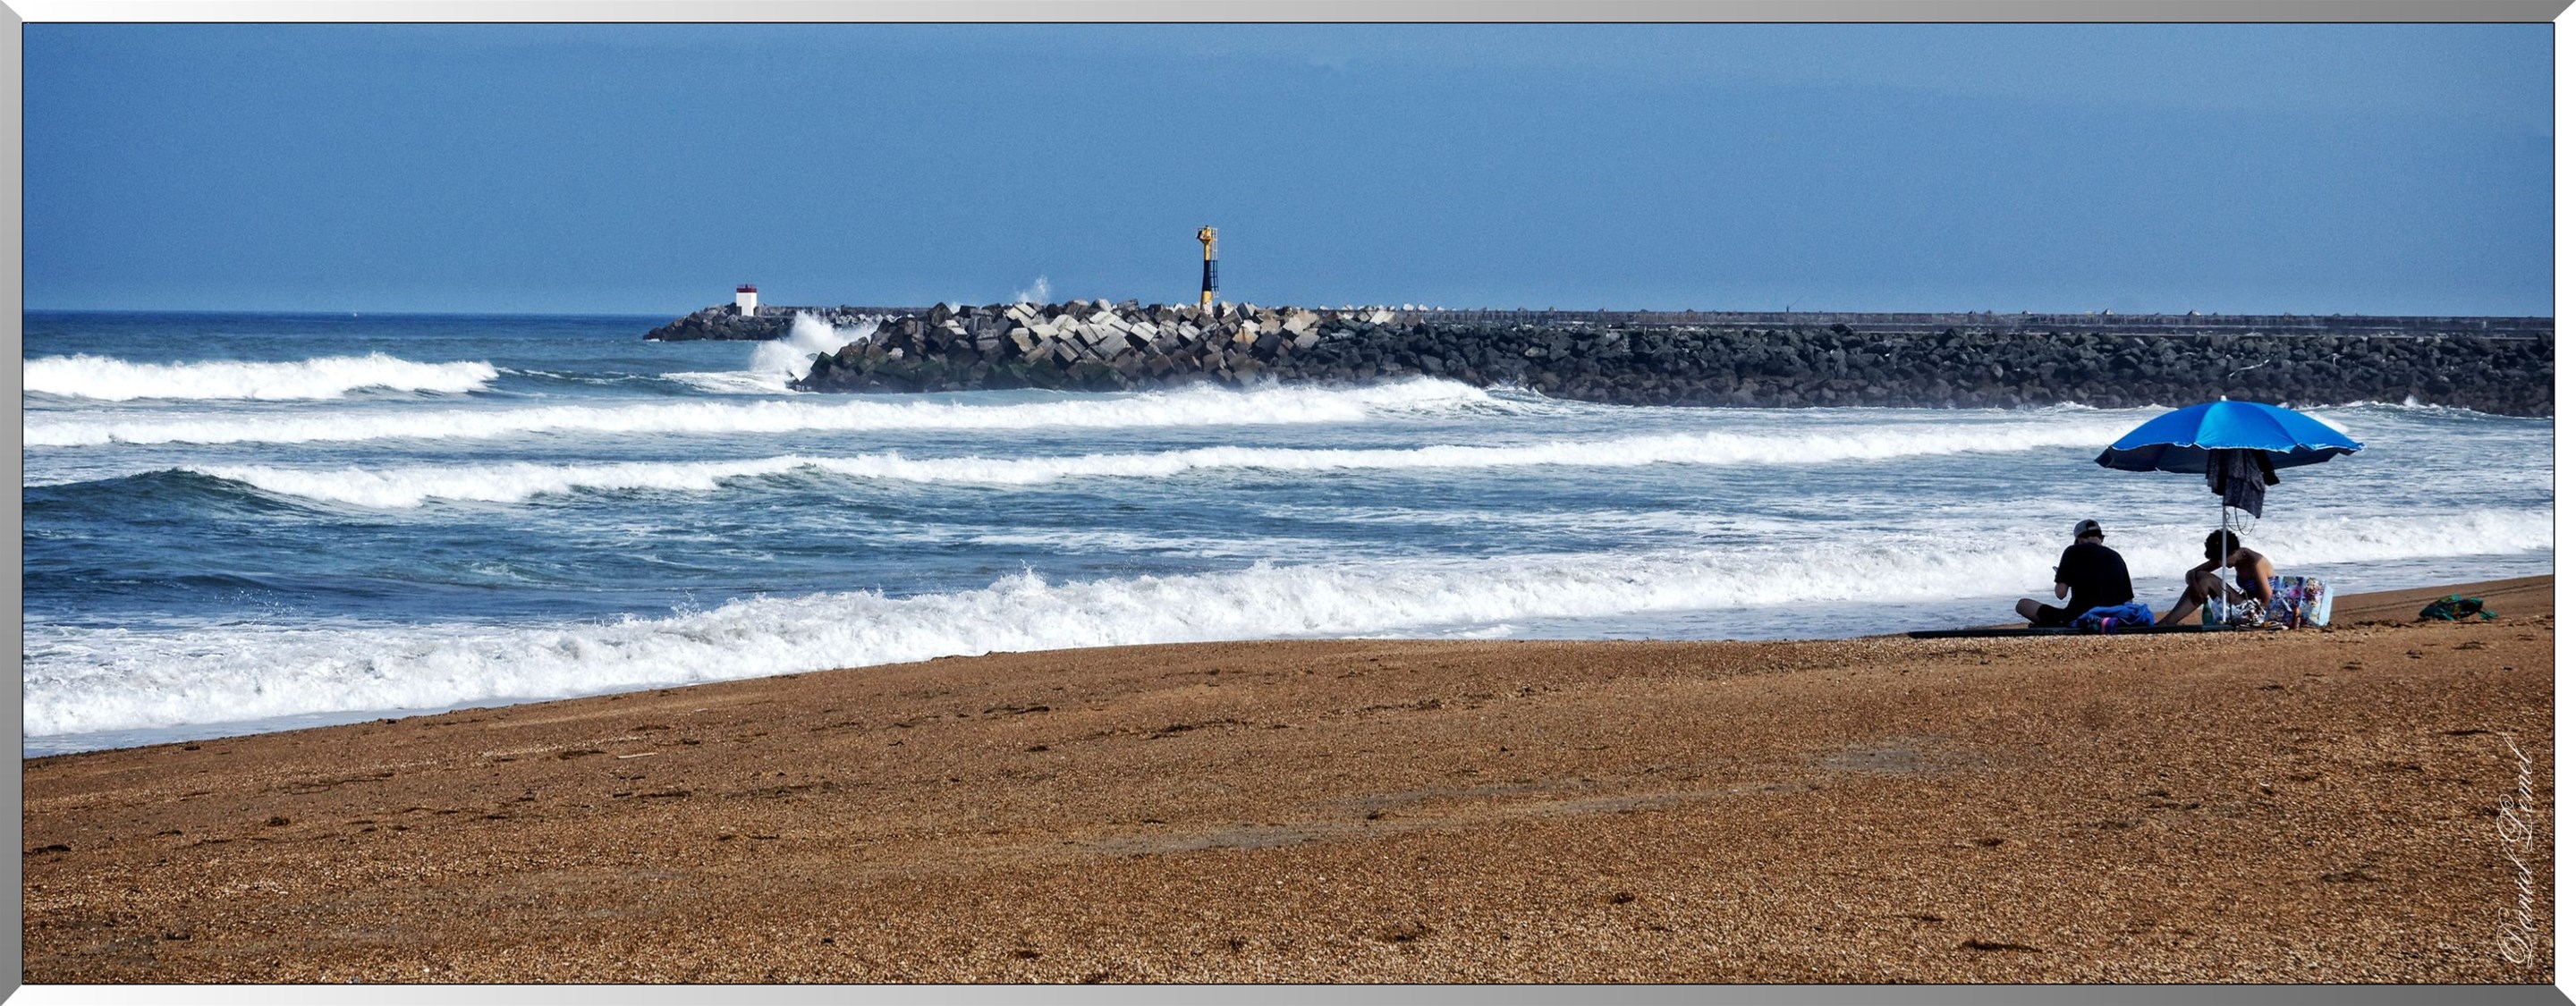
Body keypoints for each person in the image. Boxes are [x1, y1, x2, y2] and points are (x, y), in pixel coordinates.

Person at [2017, 519, 2134, 628]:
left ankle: (2091, 622)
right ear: (2101, 539)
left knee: (2023, 605)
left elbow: (2060, 594)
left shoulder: (2072, 551)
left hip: (2078, 616)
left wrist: (2060, 576)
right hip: (2115, 617)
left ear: (2078, 539)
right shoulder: (2117, 557)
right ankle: (2101, 622)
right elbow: (2129, 601)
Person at [2156, 528, 2276, 626]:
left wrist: (2251, 619)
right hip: (2244, 603)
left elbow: (2268, 599)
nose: (2221, 564)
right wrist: (2194, 586)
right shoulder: (2228, 555)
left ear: (2233, 552)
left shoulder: (2255, 563)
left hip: (2258, 611)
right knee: (2201, 577)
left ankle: (2167, 622)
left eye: (2222, 560)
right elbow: (2192, 573)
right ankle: (2168, 621)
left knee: (2205, 580)